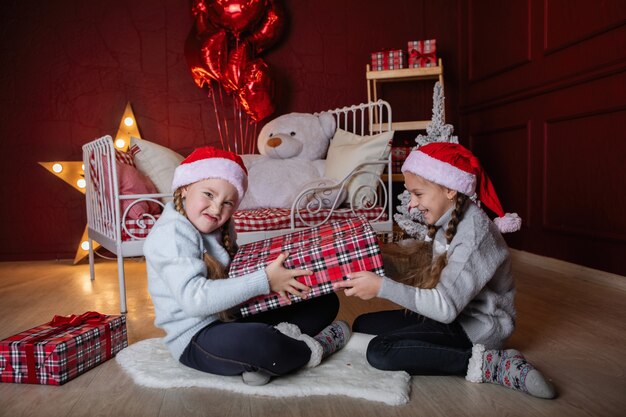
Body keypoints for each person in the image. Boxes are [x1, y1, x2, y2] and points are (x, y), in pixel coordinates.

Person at [333, 142, 556, 399]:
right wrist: (365, 262)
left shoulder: (474, 234)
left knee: (380, 350)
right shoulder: (446, 219)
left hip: (475, 328)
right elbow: (421, 270)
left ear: (450, 188)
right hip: (452, 315)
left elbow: (445, 308)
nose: (412, 205)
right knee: (363, 324)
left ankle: (489, 364)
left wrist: (381, 287)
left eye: (418, 194)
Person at [144, 146, 350, 386]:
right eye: (208, 194)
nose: (216, 208)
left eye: (227, 202)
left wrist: (277, 275)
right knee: (262, 343)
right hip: (197, 337)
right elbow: (195, 301)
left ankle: (266, 359)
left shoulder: (219, 228)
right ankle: (316, 347)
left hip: (231, 316)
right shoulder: (172, 233)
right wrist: (264, 280)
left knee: (322, 300)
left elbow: (236, 276)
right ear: (186, 187)